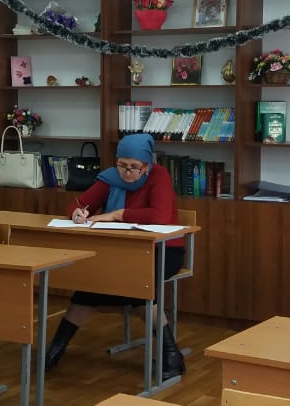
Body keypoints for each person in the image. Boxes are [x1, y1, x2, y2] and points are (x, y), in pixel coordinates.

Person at [43, 133, 185, 381]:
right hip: (122, 252)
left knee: (138, 285)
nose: (127, 173)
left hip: (164, 250)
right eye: (122, 165)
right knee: (90, 286)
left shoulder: (159, 176)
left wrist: (118, 214)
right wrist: (77, 213)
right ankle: (55, 349)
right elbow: (77, 203)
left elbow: (160, 216)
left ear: (146, 165)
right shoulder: (110, 177)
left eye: (134, 167)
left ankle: (171, 355)